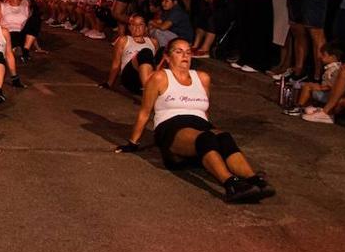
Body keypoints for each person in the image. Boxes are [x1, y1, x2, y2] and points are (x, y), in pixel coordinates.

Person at [115, 37, 268, 203]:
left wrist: (213, 132)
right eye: (179, 52)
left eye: (188, 52)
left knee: (224, 137)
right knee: (206, 138)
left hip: (199, 125)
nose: (185, 56)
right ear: (167, 57)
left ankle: (254, 180)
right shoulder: (159, 77)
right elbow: (145, 112)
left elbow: (204, 111)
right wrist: (132, 143)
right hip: (171, 128)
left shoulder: (202, 78)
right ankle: (231, 184)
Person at [102, 14, 158, 96]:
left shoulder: (153, 42)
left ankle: (154, 87)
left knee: (163, 51)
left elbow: (156, 64)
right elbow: (116, 63)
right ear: (129, 27)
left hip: (148, 78)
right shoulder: (124, 40)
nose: (137, 27)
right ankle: (149, 91)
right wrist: (109, 83)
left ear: (146, 27)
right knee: (145, 52)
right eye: (133, 24)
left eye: (140, 24)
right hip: (130, 77)